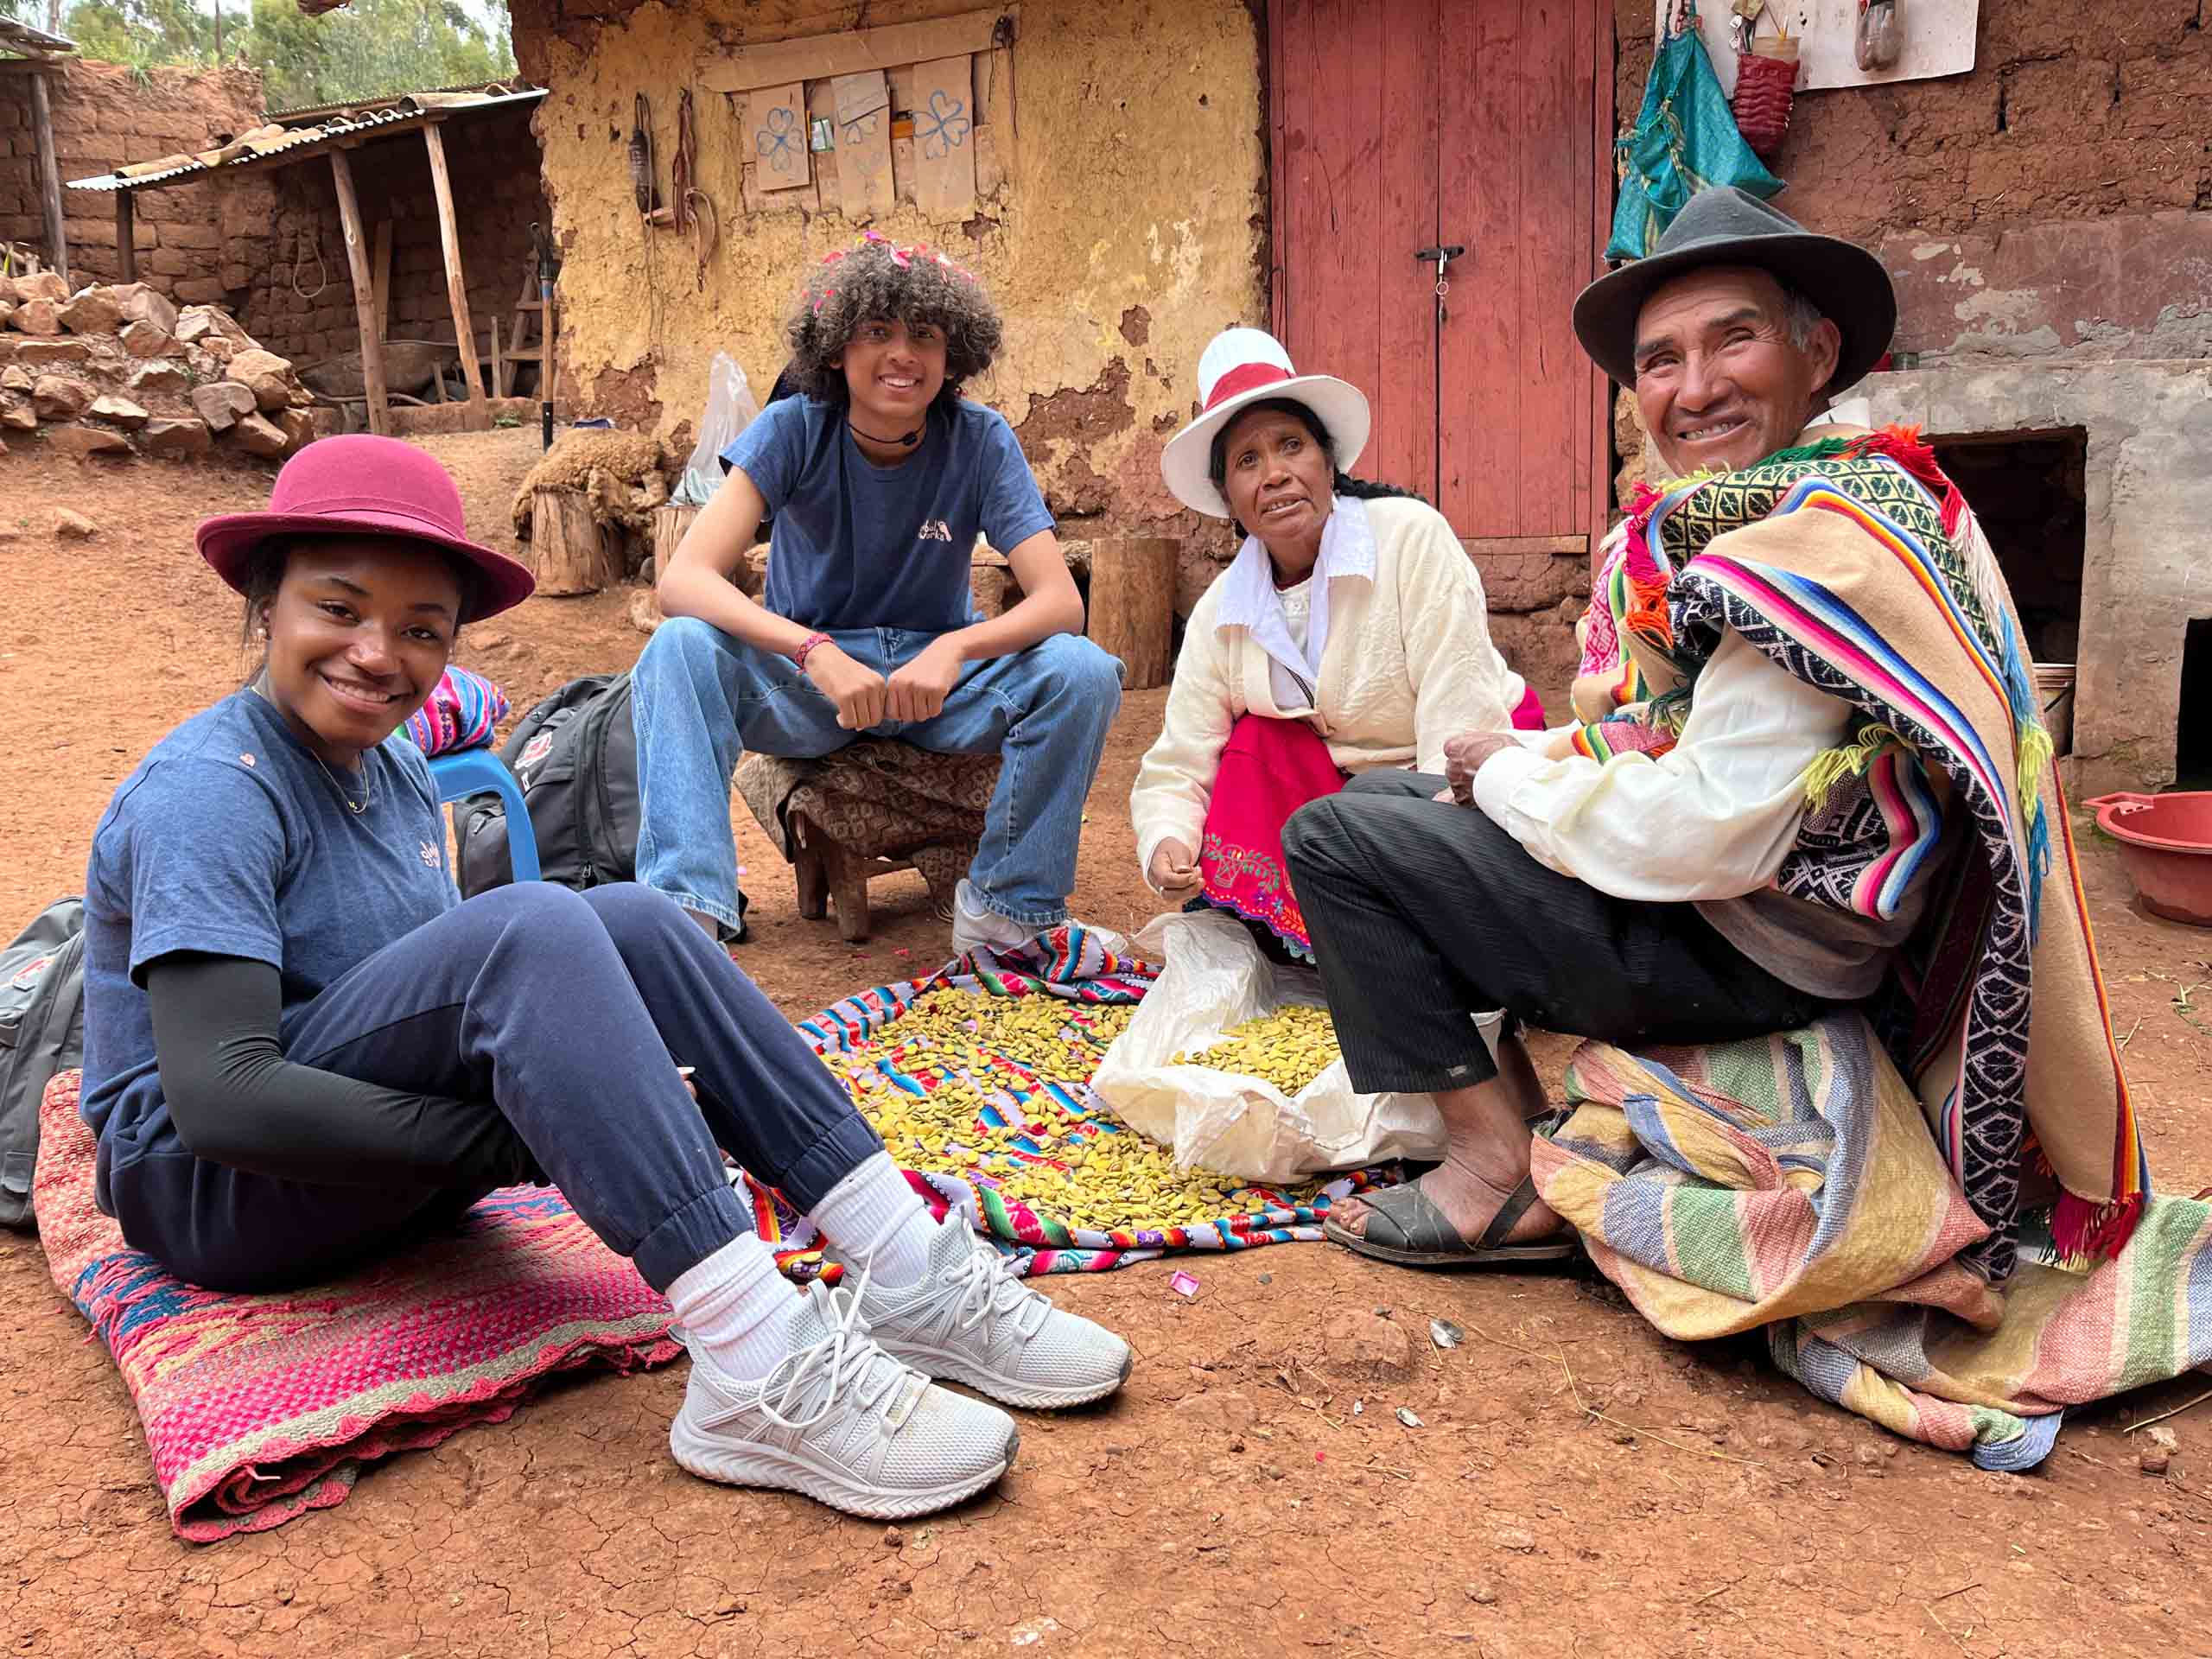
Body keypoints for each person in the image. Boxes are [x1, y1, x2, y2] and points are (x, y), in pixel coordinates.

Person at [78, 435, 1132, 1520]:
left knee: (631, 915)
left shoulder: (387, 761)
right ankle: (753, 1360)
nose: (377, 654)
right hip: (218, 1192)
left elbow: (419, 1000)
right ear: (266, 605)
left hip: (362, 1159)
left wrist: (571, 1086)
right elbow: (223, 1100)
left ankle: (904, 1265)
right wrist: (522, 1142)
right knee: (530, 922)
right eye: (337, 610)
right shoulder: (213, 789)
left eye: (421, 630)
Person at [1286, 187, 2144, 1281]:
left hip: (1761, 951)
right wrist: (1521, 762)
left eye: (1734, 340)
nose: (1694, 391)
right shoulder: (1820, 498)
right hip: (1764, 910)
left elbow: (1704, 834)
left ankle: (1494, 1176)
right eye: (1661, 362)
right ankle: (1507, 1122)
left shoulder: (1815, 547)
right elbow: (1681, 730)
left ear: (1815, 354)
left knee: (1334, 841)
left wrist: (1504, 779)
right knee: (1384, 803)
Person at [634, 232, 1122, 951]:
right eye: (877, 332)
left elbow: (1060, 603)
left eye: (925, 335)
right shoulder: (793, 428)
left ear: (953, 355)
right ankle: (686, 918)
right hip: (810, 689)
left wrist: (955, 650)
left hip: (939, 688)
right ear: (835, 348)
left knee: (1083, 672)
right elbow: (683, 580)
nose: (903, 354)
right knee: (679, 648)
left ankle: (1010, 908)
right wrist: (812, 650)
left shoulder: (981, 440)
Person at [1128, 327, 1538, 963]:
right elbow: (1182, 756)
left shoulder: (1410, 538)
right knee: (1257, 743)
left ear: (1328, 462)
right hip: (1340, 799)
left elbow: (1460, 704)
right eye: (1247, 462)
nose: (1276, 475)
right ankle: (1309, 943)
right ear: (1229, 500)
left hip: (1454, 766)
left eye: (1291, 446)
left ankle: (1424, 940)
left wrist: (1424, 850)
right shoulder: (1222, 613)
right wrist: (1167, 839)